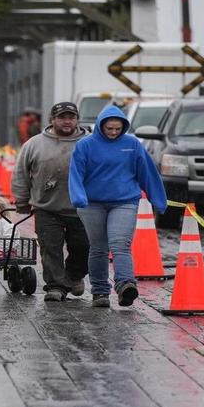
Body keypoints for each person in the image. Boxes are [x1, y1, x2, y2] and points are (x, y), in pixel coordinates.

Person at [68, 104, 167, 309]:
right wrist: (78, 197)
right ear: (100, 126)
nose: (113, 132)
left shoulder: (132, 145)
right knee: (98, 248)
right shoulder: (85, 145)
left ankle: (125, 285)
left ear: (124, 127)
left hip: (124, 202)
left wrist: (158, 199)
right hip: (92, 204)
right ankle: (100, 291)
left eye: (118, 129)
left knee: (120, 244)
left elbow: (147, 173)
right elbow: (76, 174)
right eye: (109, 128)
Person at [13, 101, 91, 301]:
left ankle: (74, 277)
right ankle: (55, 286)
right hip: (46, 207)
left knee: (83, 246)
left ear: (77, 120)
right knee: (50, 248)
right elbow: (21, 173)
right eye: (62, 117)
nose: (67, 121)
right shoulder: (35, 143)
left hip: (83, 208)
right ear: (52, 120)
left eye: (71, 117)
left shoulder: (90, 142)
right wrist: (22, 201)